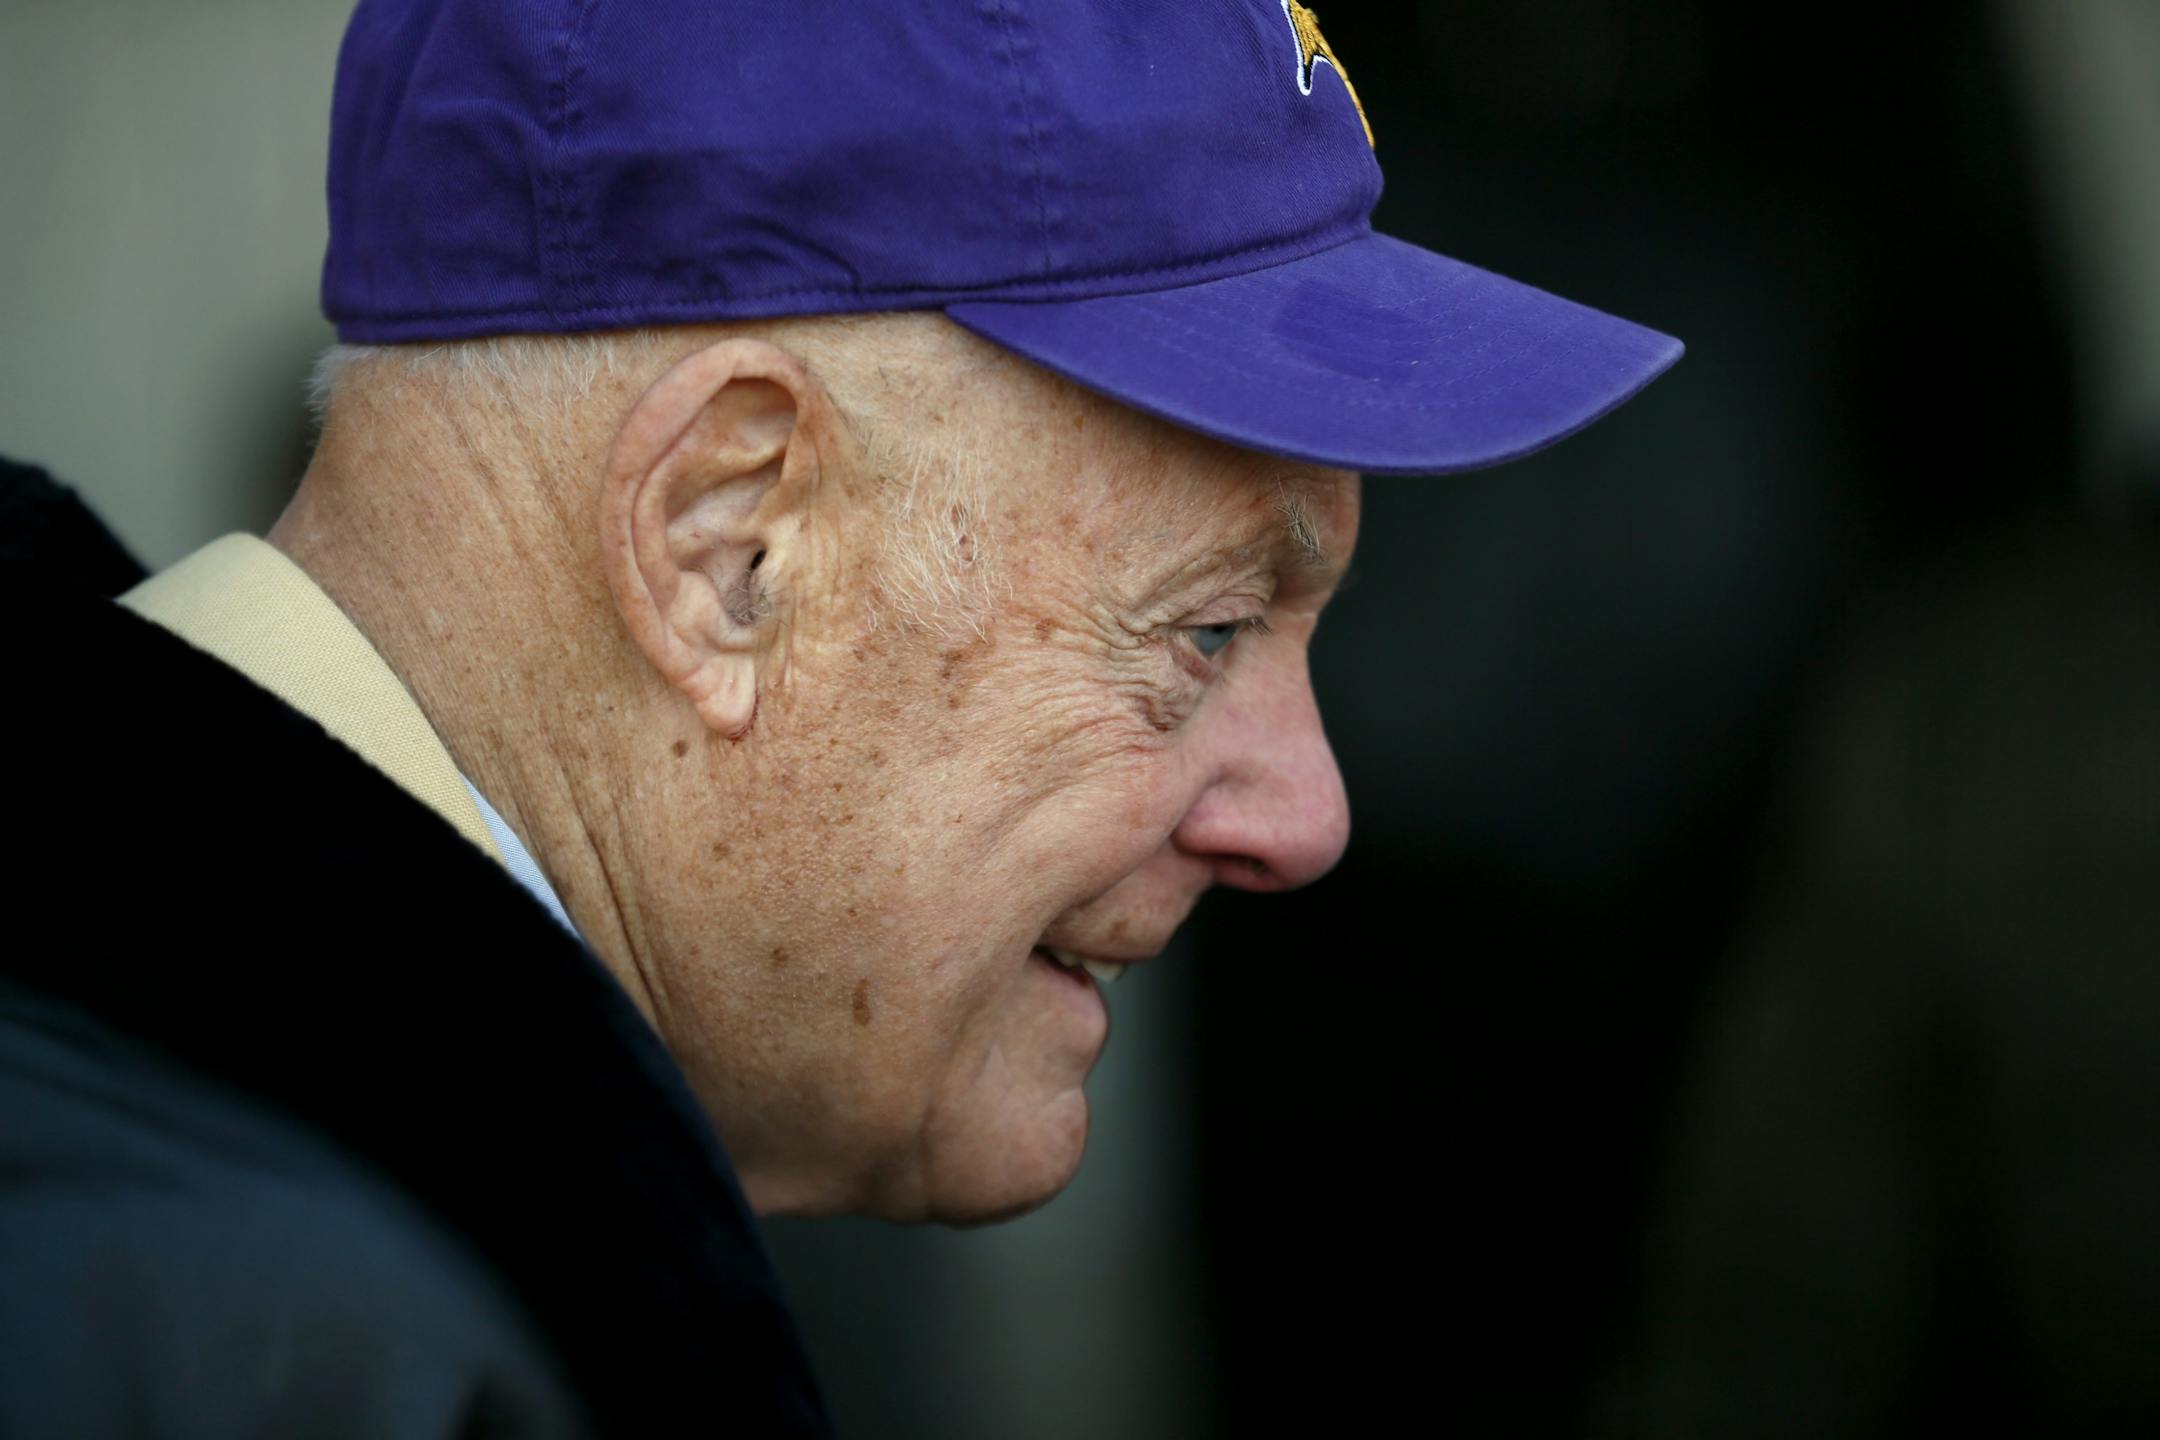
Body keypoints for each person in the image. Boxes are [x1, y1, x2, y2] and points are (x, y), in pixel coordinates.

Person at [1, 2, 1681, 1434]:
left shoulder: (249, 1215)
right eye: (1209, 628)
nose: (1305, 817)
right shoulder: (276, 1347)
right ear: (727, 544)